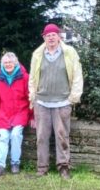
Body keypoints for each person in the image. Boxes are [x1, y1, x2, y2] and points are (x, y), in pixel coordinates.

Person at [28, 23, 83, 179]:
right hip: (42, 103)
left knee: (62, 136)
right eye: (47, 35)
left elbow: (77, 76)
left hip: (62, 102)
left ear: (59, 36)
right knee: (41, 137)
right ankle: (42, 169)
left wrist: (72, 98)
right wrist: (33, 97)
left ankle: (64, 168)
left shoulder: (70, 53)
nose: (51, 37)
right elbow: (32, 78)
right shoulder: (37, 55)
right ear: (44, 38)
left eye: (53, 34)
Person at [0, 52, 32, 177]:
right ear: (3, 64)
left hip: (20, 111)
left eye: (10, 62)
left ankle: (15, 163)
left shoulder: (24, 77)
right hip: (4, 113)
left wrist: (32, 116)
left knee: (15, 134)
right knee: (3, 136)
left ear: (15, 63)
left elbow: (30, 98)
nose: (8, 65)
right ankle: (0, 166)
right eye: (5, 63)